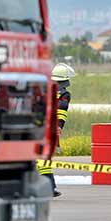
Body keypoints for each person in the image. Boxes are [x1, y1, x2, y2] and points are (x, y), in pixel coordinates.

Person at [38, 62, 75, 197]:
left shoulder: (45, 89)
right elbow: (62, 111)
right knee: (45, 159)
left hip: (38, 127)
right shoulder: (64, 94)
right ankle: (48, 187)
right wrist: (59, 126)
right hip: (49, 130)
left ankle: (48, 187)